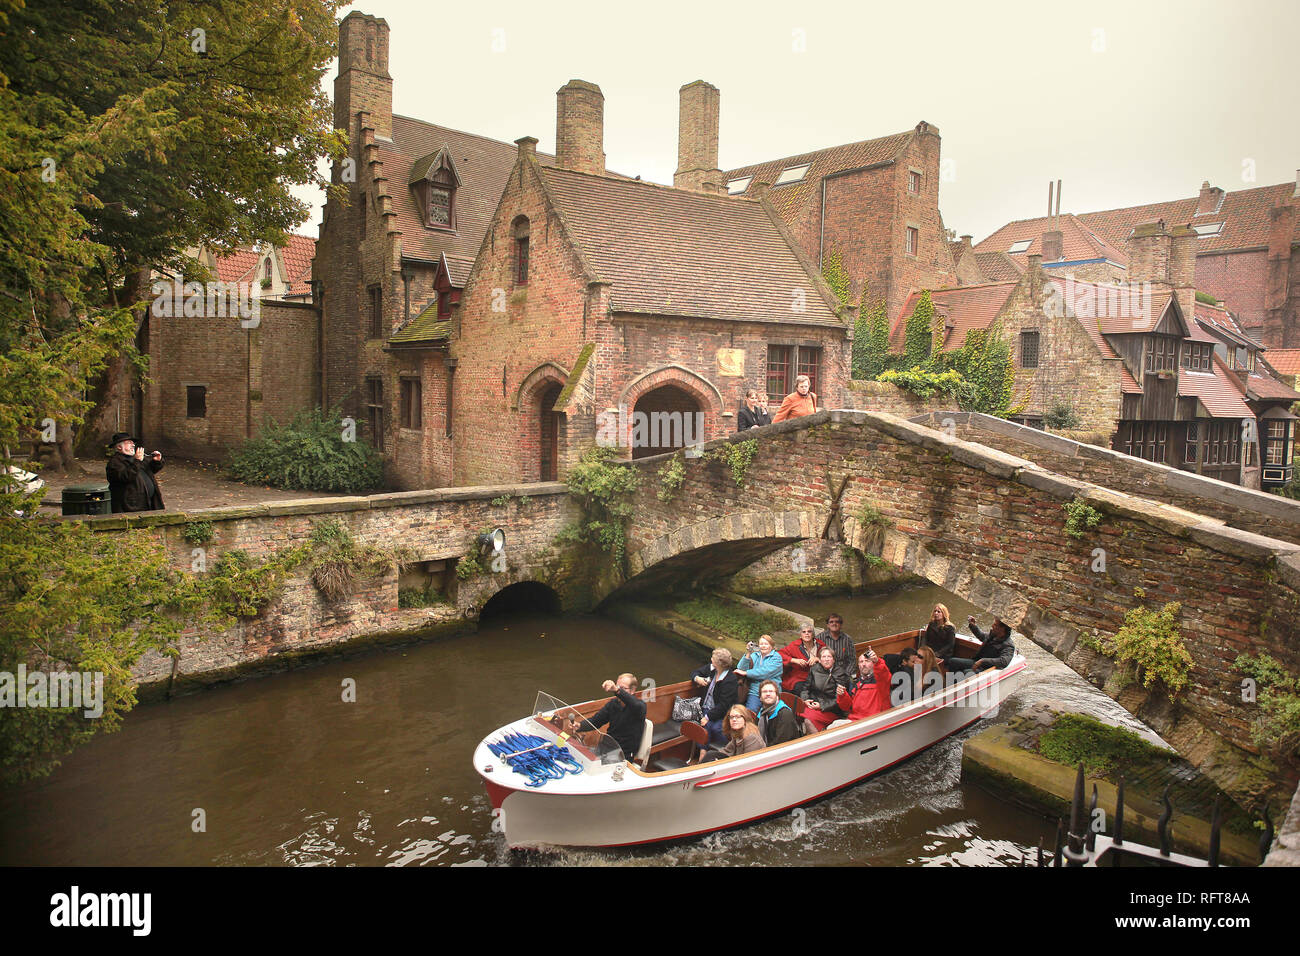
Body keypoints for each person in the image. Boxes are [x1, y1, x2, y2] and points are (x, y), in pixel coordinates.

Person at [577, 674, 647, 760]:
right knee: (579, 755)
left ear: (632, 690)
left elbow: (635, 704)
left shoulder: (639, 707)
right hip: (605, 748)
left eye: (622, 688)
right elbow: (596, 721)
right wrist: (579, 725)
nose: (617, 690)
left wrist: (617, 690)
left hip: (623, 754)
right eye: (617, 686)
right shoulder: (613, 704)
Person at [106, 433, 165, 513]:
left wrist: (157, 461)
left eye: (133, 443)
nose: (133, 445)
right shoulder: (115, 463)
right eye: (129, 443)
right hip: (130, 507)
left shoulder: (136, 458)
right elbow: (126, 476)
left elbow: (150, 470)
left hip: (148, 503)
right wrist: (137, 461)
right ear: (119, 447)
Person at [691, 648, 739, 746]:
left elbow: (724, 705)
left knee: (712, 727)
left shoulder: (730, 680)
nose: (711, 659)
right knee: (705, 726)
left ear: (718, 663)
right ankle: (703, 754)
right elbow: (695, 672)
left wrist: (708, 717)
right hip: (705, 708)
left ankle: (723, 751)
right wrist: (697, 678)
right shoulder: (711, 669)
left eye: (713, 658)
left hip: (721, 712)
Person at [834, 649, 893, 722]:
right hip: (854, 721)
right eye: (861, 662)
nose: (864, 664)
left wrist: (877, 661)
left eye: (867, 661)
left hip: (874, 722)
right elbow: (847, 707)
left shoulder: (881, 682)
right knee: (834, 724)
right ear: (858, 665)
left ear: (873, 663)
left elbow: (883, 673)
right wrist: (842, 695)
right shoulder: (856, 682)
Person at [948, 616, 1017, 675]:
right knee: (952, 661)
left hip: (986, 668)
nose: (992, 626)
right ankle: (953, 684)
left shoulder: (1008, 645)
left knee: (967, 672)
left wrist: (983, 661)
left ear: (1002, 629)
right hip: (976, 662)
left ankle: (959, 686)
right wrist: (973, 625)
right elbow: (982, 636)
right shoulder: (993, 635)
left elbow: (1004, 661)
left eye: (995, 625)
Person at [799, 646, 842, 734]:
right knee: (796, 710)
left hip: (829, 709)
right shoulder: (814, 669)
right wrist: (805, 700)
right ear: (820, 659)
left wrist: (821, 706)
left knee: (808, 719)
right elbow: (805, 688)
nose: (826, 659)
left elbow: (839, 700)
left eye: (829, 657)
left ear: (833, 660)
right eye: (823, 657)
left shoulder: (840, 673)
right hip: (812, 704)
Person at [700, 705, 765, 762]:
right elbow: (727, 751)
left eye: (737, 717)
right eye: (731, 717)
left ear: (745, 718)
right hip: (737, 762)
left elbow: (746, 763)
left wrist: (722, 763)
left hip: (748, 770)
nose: (734, 719)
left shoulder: (751, 737)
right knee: (711, 754)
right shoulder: (738, 732)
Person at [735, 634, 783, 711]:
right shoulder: (755, 655)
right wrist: (748, 653)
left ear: (771, 646)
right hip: (755, 691)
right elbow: (741, 668)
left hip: (771, 691)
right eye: (761, 644)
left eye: (766, 644)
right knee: (751, 712)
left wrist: (747, 673)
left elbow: (765, 672)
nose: (763, 646)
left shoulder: (777, 657)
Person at [779, 624, 824, 695]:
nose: (807, 633)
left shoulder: (821, 645)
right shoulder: (794, 645)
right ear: (800, 635)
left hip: (818, 676)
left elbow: (830, 658)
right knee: (800, 689)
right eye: (804, 632)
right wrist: (793, 660)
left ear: (813, 634)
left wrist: (818, 659)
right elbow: (779, 654)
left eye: (809, 631)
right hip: (799, 676)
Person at [816, 613, 856, 689]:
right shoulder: (820, 638)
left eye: (837, 622)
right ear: (827, 625)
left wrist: (846, 674)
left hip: (843, 673)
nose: (834, 624)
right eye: (831, 622)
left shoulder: (847, 639)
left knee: (851, 686)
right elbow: (817, 657)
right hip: (825, 672)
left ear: (841, 625)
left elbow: (852, 660)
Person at [754, 680, 800, 746]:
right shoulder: (761, 713)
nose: (768, 694)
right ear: (760, 698)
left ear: (777, 696)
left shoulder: (784, 713)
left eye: (771, 691)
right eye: (764, 692)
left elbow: (781, 742)